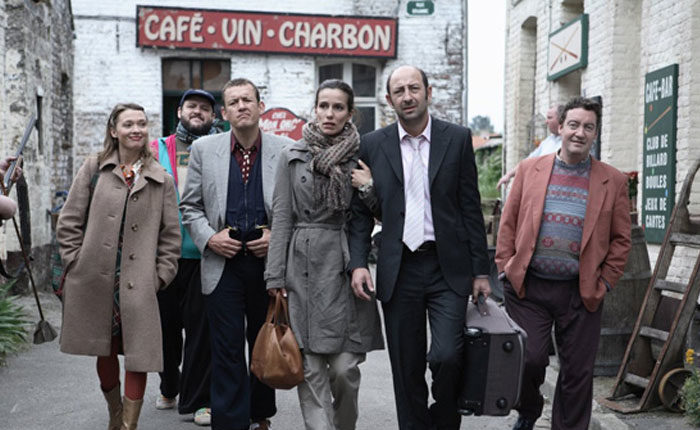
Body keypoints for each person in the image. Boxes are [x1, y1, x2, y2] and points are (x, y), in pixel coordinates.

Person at [347, 65, 491, 429]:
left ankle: (442, 420)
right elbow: (359, 215)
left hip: (447, 267)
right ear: (389, 99)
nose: (407, 96)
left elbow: (470, 208)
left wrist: (480, 271)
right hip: (399, 268)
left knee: (447, 356)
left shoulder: (456, 138)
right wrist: (358, 263)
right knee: (406, 366)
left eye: (414, 88)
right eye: (399, 91)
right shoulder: (372, 144)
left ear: (428, 92)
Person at [495, 97, 631, 430]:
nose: (580, 133)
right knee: (529, 359)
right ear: (560, 127)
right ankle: (529, 408)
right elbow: (508, 223)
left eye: (588, 127)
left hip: (580, 291)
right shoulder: (530, 170)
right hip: (529, 288)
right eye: (574, 125)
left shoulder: (613, 181)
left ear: (595, 133)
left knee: (578, 374)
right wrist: (505, 266)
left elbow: (621, 240)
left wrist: (606, 282)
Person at [265, 79, 384, 430]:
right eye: (323, 106)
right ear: (315, 109)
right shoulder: (293, 155)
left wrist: (369, 187)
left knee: (345, 369)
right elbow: (281, 217)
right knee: (311, 368)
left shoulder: (362, 155)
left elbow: (385, 214)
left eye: (338, 107)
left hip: (346, 263)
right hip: (301, 265)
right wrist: (274, 275)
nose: (329, 114)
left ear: (350, 113)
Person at [56, 102, 181, 430]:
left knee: (139, 353)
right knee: (106, 348)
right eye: (128, 124)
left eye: (141, 123)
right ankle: (115, 413)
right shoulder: (94, 167)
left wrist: (161, 276)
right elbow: (69, 221)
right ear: (114, 130)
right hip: (96, 277)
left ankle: (129, 425)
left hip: (140, 280)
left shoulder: (161, 178)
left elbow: (171, 235)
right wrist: (75, 261)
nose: (136, 130)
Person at [180, 78, 292, 430]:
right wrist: (210, 239)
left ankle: (259, 415)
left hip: (267, 264)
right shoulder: (204, 149)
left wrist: (276, 237)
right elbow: (190, 206)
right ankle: (230, 422)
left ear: (261, 107)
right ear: (224, 113)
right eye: (234, 102)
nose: (242, 106)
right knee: (226, 348)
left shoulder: (287, 150)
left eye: (248, 100)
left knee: (263, 341)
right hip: (222, 263)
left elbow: (297, 209)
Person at [149, 89, 217, 426]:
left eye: (205, 108)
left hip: (206, 255)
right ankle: (169, 385)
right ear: (179, 111)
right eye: (192, 106)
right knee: (166, 330)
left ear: (214, 116)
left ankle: (200, 400)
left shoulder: (220, 148)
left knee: (201, 332)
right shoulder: (156, 149)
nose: (198, 112)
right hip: (164, 256)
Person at [497, 105, 563, 189]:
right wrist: (509, 175)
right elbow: (529, 161)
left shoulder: (566, 143)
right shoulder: (548, 141)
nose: (546, 121)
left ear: (561, 119)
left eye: (550, 118)